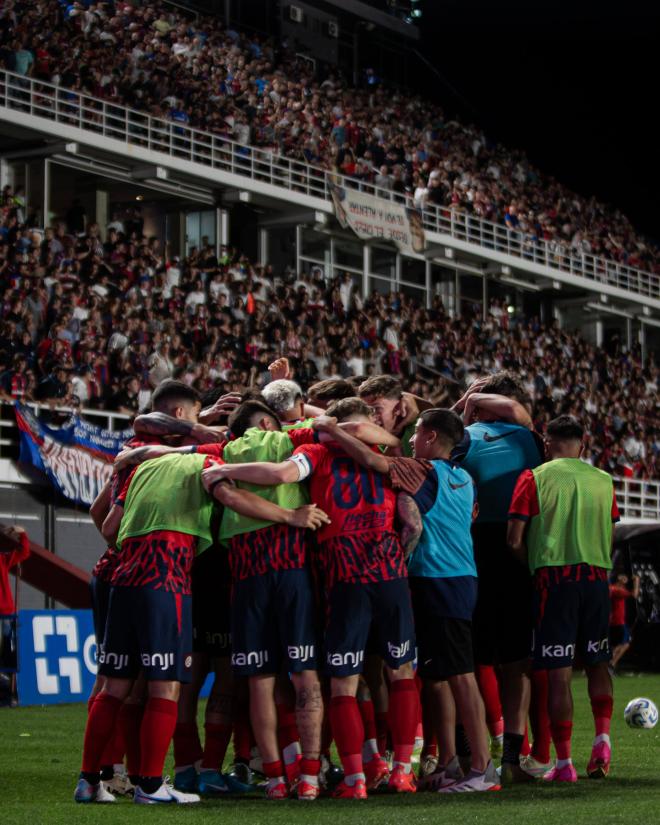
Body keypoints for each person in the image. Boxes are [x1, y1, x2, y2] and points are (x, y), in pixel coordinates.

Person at [76, 444, 325, 805]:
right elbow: (233, 499)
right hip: (165, 582)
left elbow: (110, 527)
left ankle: (87, 782)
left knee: (113, 686)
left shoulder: (144, 469)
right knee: (167, 689)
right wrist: (290, 516)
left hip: (123, 580)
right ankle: (148, 786)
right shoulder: (208, 464)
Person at [207, 398, 421, 799]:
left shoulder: (314, 450)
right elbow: (411, 521)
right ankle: (401, 770)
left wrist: (224, 466)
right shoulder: (389, 456)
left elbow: (282, 473)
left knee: (340, 680)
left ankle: (346, 778)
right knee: (399, 671)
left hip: (340, 576)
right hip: (388, 571)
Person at [312, 408, 500, 793]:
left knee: (461, 676)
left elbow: (370, 458)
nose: (411, 440)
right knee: (438, 679)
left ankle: (482, 769)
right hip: (461, 575)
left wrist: (330, 428)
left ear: (431, 438)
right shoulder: (464, 476)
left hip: (438, 578)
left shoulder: (421, 469)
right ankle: (449, 763)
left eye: (416, 434)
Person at [508, 415, 620, 783]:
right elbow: (610, 530)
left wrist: (536, 567)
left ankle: (564, 764)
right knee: (598, 663)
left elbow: (513, 540)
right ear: (582, 446)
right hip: (596, 579)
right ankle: (602, 740)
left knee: (558, 675)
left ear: (546, 444)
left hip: (555, 581)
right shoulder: (604, 481)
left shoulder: (534, 478)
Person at [451, 372, 544, 783]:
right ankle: (474, 756)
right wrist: (464, 406)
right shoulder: (464, 434)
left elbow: (520, 411)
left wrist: (472, 396)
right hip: (473, 546)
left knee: (510, 659)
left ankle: (505, 759)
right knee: (476, 659)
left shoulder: (526, 435)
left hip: (503, 545)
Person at [609, 573, 640, 671]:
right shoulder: (618, 590)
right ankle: (610, 664)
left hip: (613, 622)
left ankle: (610, 664)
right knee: (625, 644)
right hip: (618, 622)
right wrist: (637, 581)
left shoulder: (611, 588)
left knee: (618, 644)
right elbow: (634, 595)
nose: (625, 578)